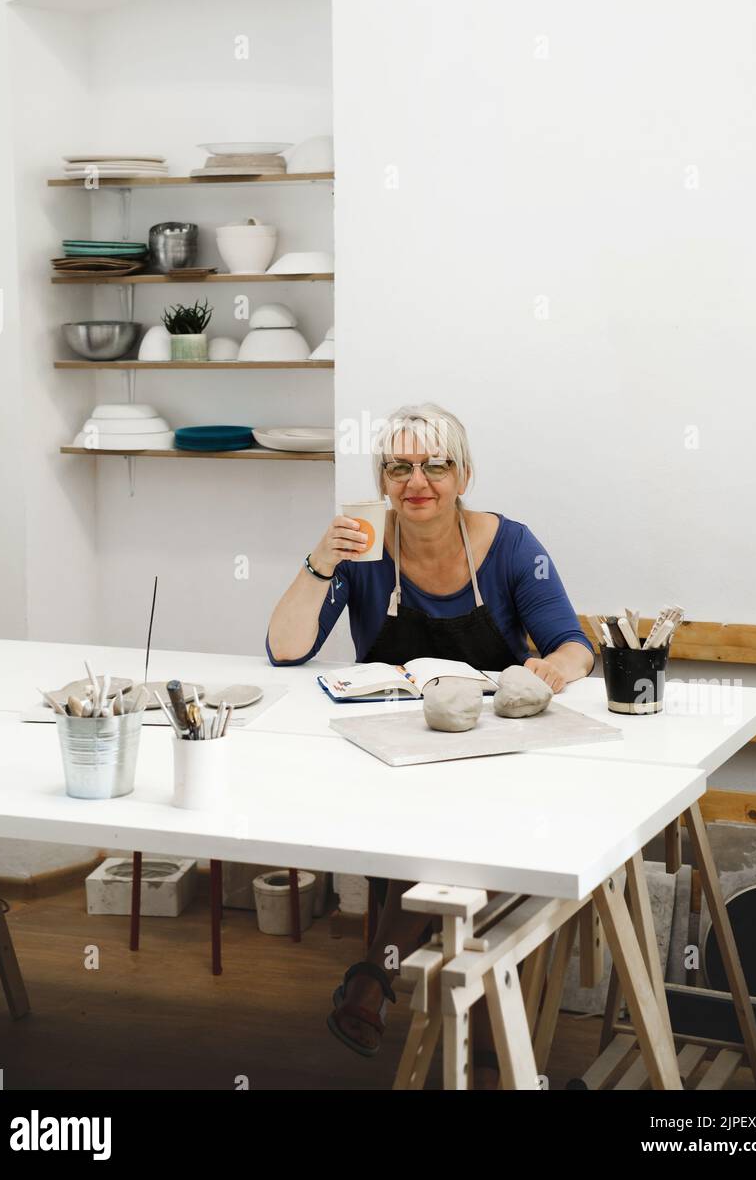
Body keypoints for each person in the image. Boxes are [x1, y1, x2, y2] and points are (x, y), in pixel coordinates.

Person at [266, 402, 594, 1087]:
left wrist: (553, 669)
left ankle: (374, 978)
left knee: (453, 828)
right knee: (417, 822)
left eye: (434, 464)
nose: (417, 481)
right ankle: (411, 987)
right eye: (399, 466)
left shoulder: (510, 547)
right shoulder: (365, 548)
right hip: (392, 751)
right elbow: (286, 649)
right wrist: (321, 560)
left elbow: (573, 645)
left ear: (463, 473)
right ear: (382, 479)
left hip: (490, 754)